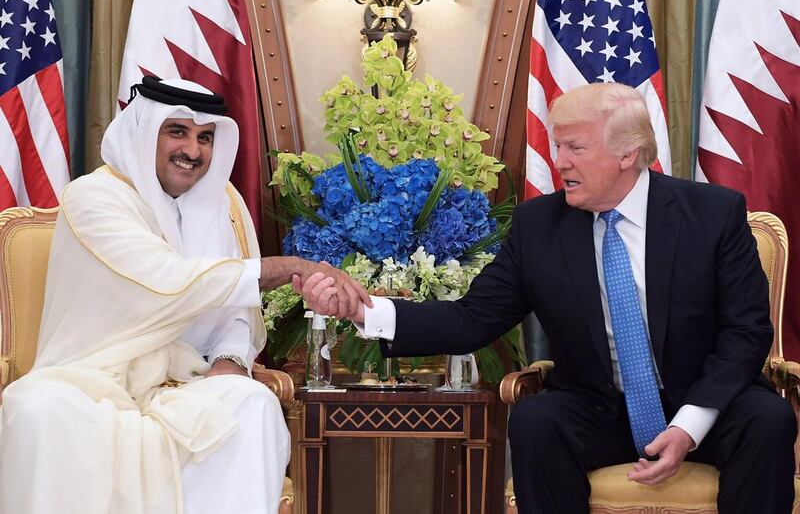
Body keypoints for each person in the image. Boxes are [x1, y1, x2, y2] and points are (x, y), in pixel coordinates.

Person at [300, 82, 796, 513]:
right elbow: (473, 319)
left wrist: (689, 425)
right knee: (538, 420)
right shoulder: (540, 226)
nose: (559, 163)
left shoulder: (711, 213)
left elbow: (745, 332)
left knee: (768, 421)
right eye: (557, 147)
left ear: (627, 154)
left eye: (575, 148)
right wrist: (367, 311)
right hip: (600, 409)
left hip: (703, 403)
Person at [0, 77, 369, 514]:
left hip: (185, 384)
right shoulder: (93, 197)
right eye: (177, 131)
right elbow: (167, 280)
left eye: (205, 137)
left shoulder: (222, 203)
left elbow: (237, 312)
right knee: (37, 409)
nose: (193, 151)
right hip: (91, 380)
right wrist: (290, 267)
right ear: (143, 132)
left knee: (251, 404)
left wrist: (229, 362)